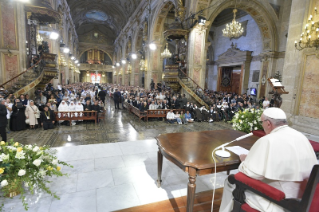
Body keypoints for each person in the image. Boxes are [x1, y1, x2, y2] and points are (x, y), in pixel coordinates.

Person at [219, 108, 318, 212]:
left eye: (262, 122)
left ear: (268, 123)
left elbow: (251, 173)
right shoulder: (301, 137)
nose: (262, 125)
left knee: (231, 182)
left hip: (280, 202)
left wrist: (245, 161)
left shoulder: (268, 140)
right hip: (303, 198)